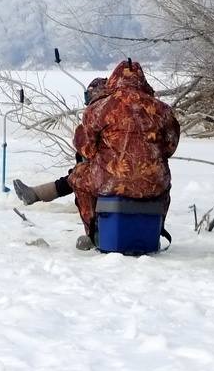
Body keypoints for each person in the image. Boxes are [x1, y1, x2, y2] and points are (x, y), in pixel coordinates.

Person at [69, 60, 180, 251]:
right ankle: (155, 230)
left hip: (109, 181)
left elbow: (86, 149)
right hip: (152, 184)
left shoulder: (99, 109)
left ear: (113, 80)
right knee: (164, 184)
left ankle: (95, 231)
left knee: (78, 177)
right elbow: (170, 147)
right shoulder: (162, 110)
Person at [13, 77, 109, 207]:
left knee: (81, 173)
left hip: (111, 175)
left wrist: (81, 132)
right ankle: (36, 194)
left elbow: (86, 148)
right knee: (80, 172)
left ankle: (37, 194)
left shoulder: (100, 117)